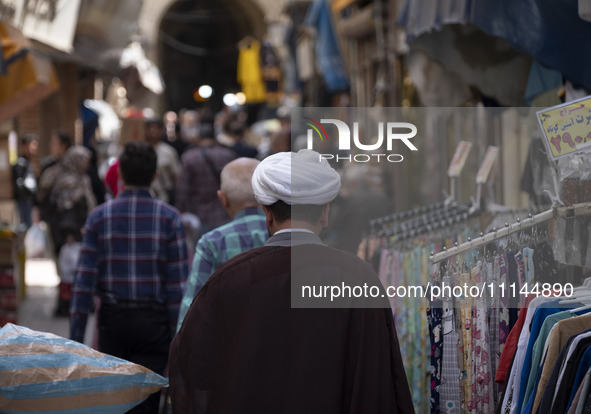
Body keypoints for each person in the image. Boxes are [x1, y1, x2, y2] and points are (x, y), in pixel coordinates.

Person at [169, 149, 414, 414]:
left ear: (268, 214)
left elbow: (192, 363)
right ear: (325, 214)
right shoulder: (358, 278)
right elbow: (379, 377)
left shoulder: (229, 279)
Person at [70, 141, 188, 414]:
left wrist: (75, 342)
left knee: (114, 401)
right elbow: (177, 291)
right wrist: (178, 344)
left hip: (113, 322)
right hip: (154, 324)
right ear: (155, 175)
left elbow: (83, 284)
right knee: (147, 403)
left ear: (120, 173)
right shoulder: (170, 219)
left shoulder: (99, 217)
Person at [176, 157, 268, 331]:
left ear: (222, 198)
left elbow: (191, 314)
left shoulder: (212, 243)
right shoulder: (288, 236)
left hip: (229, 350)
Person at [42, 146, 97, 316]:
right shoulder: (69, 182)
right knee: (70, 271)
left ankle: (78, 303)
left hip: (78, 233)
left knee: (74, 271)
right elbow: (66, 209)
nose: (87, 165)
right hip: (69, 235)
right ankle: (68, 305)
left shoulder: (81, 179)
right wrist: (69, 234)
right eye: (85, 161)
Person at [176, 113, 237, 232]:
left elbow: (182, 190)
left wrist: (180, 211)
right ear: (214, 137)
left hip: (198, 216)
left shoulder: (189, 157)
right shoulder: (228, 155)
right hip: (223, 214)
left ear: (198, 138)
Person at [144, 117, 181, 205]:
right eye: (150, 128)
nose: (153, 131)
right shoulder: (139, 150)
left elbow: (176, 176)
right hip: (144, 194)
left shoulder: (169, 152)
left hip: (166, 195)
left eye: (157, 128)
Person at [12, 134, 38, 229]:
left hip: (28, 201)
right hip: (23, 201)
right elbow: (19, 183)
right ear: (24, 146)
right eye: (31, 145)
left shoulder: (27, 162)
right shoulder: (20, 163)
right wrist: (27, 196)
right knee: (25, 227)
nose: (34, 148)